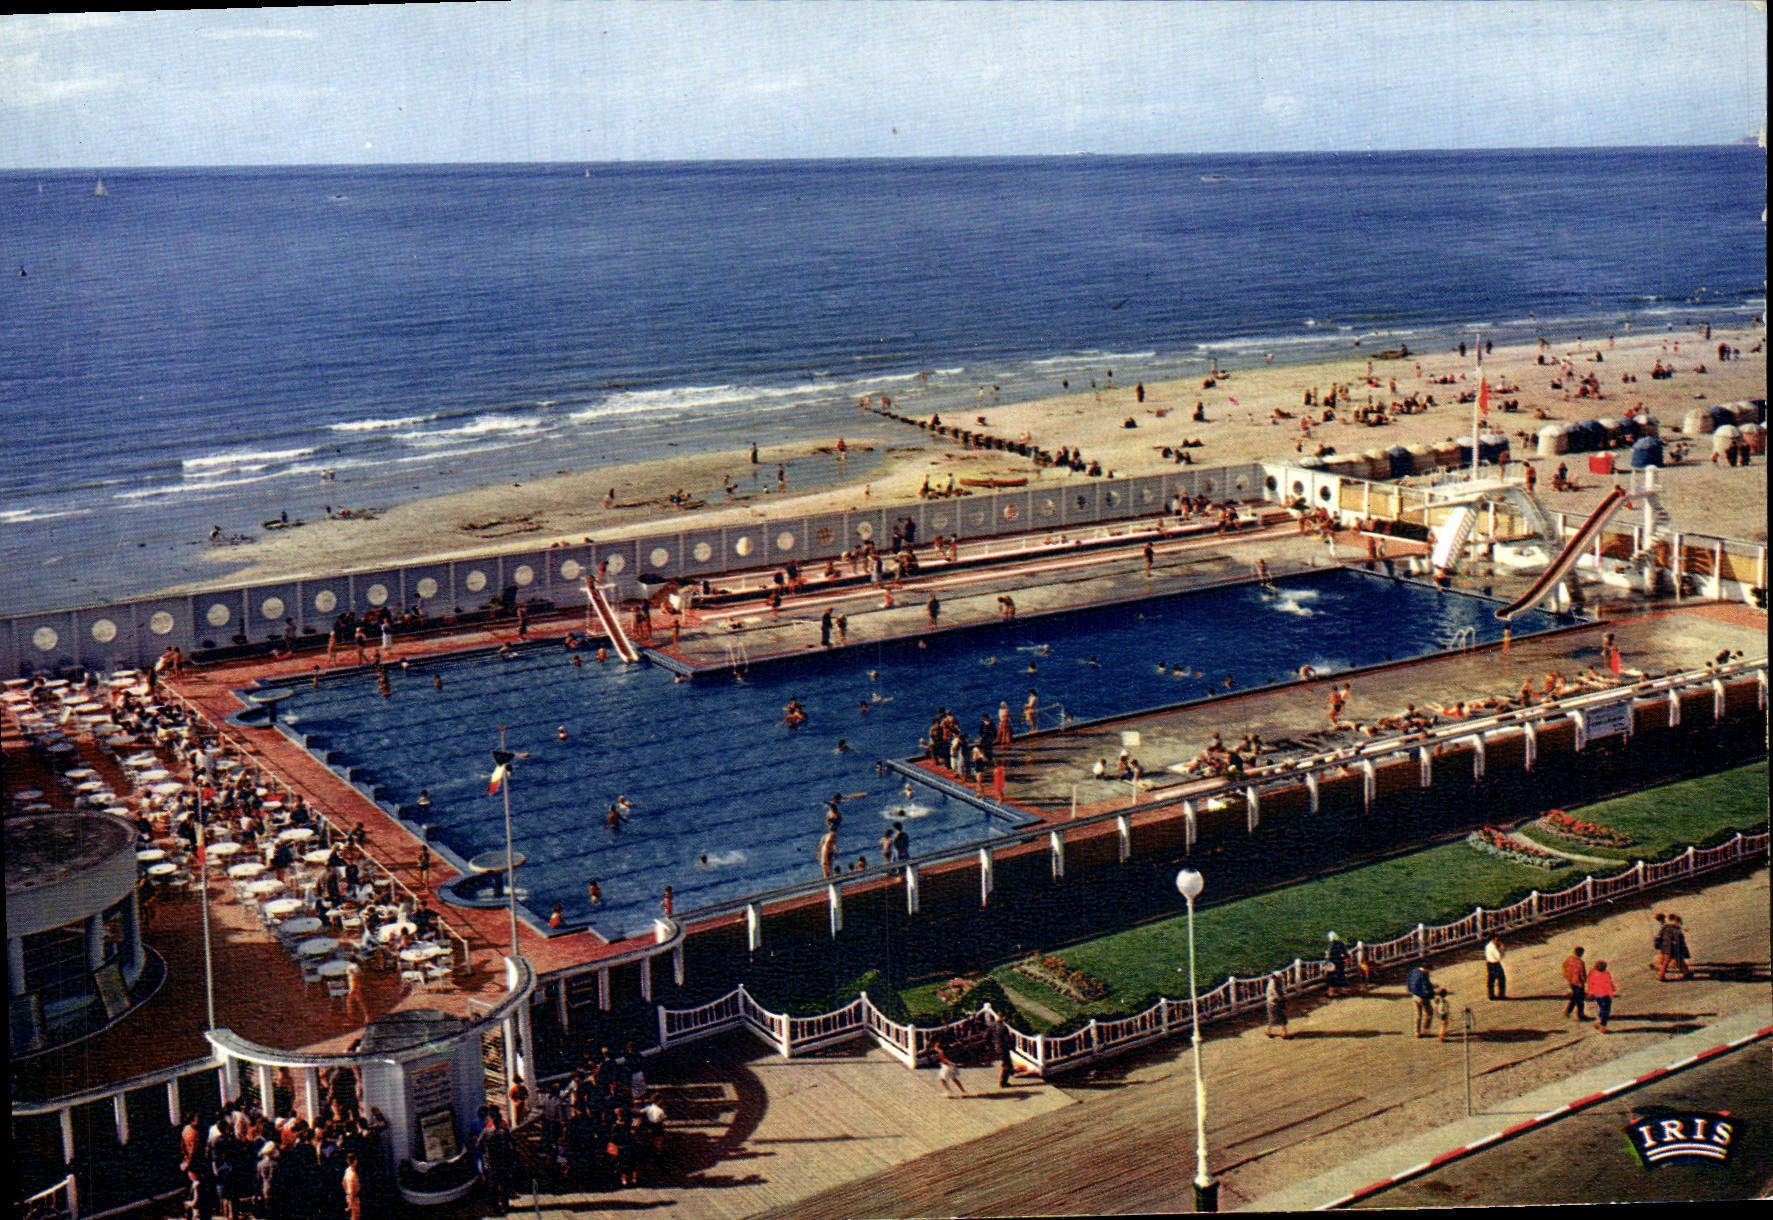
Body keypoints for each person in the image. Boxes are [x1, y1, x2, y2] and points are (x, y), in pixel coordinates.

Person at [1586, 959, 1617, 1033]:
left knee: (1602, 1008)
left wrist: (1590, 993)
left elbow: (1590, 984)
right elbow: (1609, 982)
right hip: (1605, 995)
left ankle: (1598, 1022)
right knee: (1605, 1010)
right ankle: (1602, 1026)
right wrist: (1612, 989)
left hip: (1598, 995)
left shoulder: (1592, 973)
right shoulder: (1605, 974)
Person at [1406, 963, 1436, 1037]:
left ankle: (1417, 1032)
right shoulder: (1423, 975)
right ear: (1426, 969)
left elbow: (1409, 980)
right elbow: (1426, 987)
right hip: (1422, 997)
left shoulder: (1414, 971)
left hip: (1414, 996)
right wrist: (1432, 993)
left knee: (1418, 1014)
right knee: (1429, 1013)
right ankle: (1425, 1030)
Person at [1659, 915, 1693, 980]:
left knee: (1677, 960)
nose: (1679, 924)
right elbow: (1676, 939)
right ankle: (1661, 976)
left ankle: (1686, 972)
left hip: (1667, 947)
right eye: (1678, 922)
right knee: (1677, 960)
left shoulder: (1666, 927)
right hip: (1673, 947)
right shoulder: (1674, 929)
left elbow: (1661, 935)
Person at [1561, 946, 1588, 1021]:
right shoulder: (1580, 962)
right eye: (1582, 953)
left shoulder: (1569, 959)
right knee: (1580, 999)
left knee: (1575, 997)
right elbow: (1582, 973)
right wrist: (1584, 980)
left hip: (1572, 982)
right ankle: (1580, 1015)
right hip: (1578, 983)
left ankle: (1568, 1011)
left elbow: (1564, 967)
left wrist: (1568, 977)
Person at [1264, 974, 1290, 1039]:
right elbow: (1277, 995)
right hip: (1274, 1003)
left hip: (1275, 1002)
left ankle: (1282, 1032)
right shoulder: (1272, 985)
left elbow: (1282, 992)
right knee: (1276, 1017)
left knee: (1279, 1017)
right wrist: (1283, 1000)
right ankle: (1283, 1032)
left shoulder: (1278, 982)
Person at [995, 1016, 1017, 1087]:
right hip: (1003, 1048)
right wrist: (1012, 1046)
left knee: (1007, 1064)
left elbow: (987, 1035)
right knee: (1007, 1065)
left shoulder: (993, 1026)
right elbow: (1007, 1039)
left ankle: (1010, 1074)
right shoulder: (1003, 1027)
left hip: (997, 1048)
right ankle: (1003, 1083)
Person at [1326, 932, 1350, 996]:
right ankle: (1342, 990)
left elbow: (1329, 955)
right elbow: (1345, 953)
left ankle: (1331, 992)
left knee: (1332, 978)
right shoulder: (1340, 943)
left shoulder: (1332, 945)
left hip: (1333, 963)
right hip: (1339, 962)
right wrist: (1346, 958)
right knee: (1340, 976)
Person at [1484, 936, 1507, 1000]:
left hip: (1490, 963)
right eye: (1497, 940)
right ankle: (1501, 995)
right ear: (1493, 940)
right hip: (1494, 964)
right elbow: (1499, 957)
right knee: (1501, 979)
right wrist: (1502, 950)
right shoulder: (1493, 948)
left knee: (1491, 980)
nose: (1498, 942)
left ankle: (1491, 995)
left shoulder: (1488, 945)